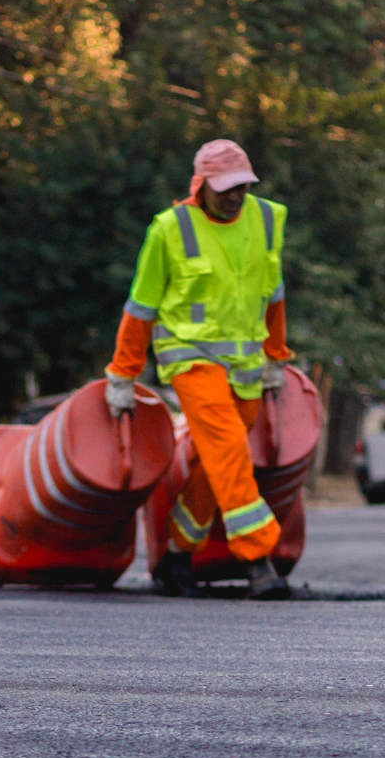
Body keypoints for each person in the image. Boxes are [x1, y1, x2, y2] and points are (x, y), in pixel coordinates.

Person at [104, 139, 293, 600]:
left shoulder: (268, 219)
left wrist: (276, 355)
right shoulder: (169, 230)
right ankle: (258, 560)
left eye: (242, 187)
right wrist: (123, 375)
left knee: (214, 463)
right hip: (189, 360)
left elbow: (273, 293)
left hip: (246, 366)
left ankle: (177, 554)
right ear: (201, 185)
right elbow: (141, 308)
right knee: (228, 449)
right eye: (225, 188)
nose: (235, 196)